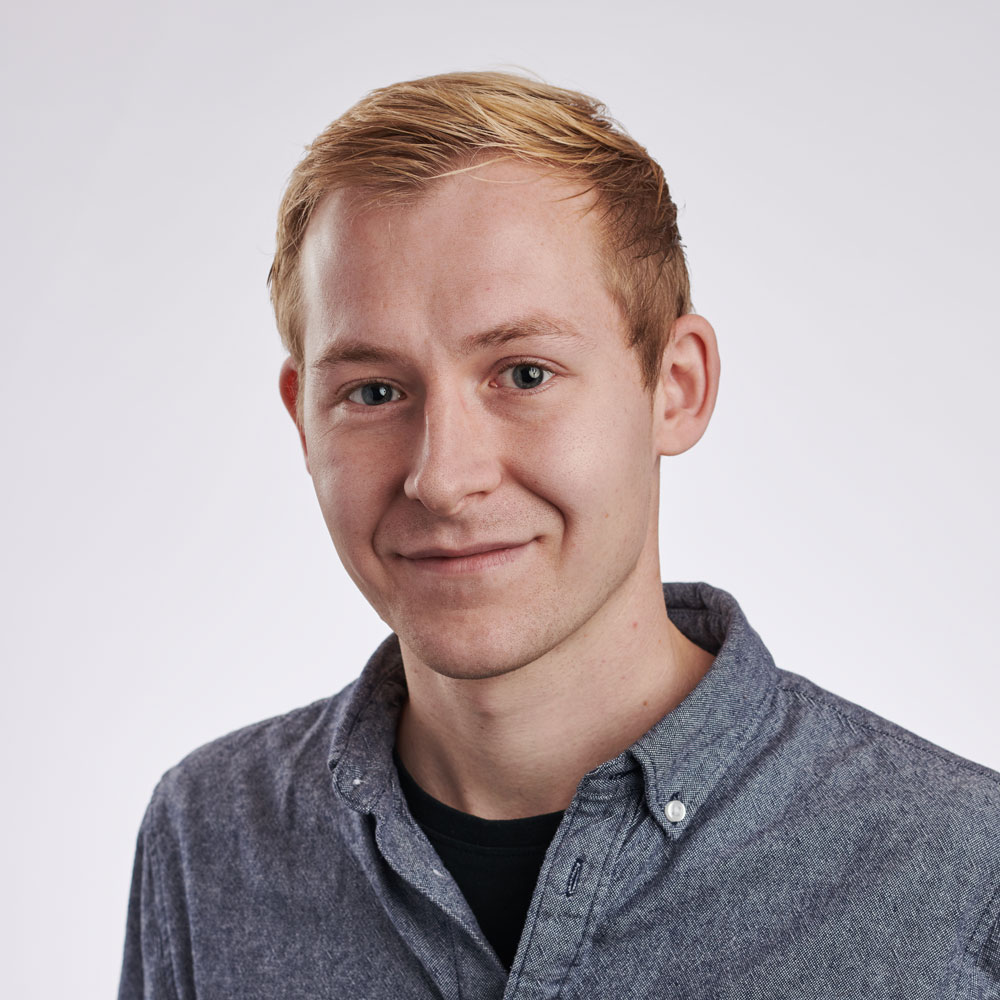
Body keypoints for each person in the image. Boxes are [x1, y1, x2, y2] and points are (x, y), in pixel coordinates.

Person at [118, 71, 1000, 999]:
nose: (443, 478)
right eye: (374, 392)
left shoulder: (965, 877)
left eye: (525, 373)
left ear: (677, 386)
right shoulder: (208, 838)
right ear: (304, 421)